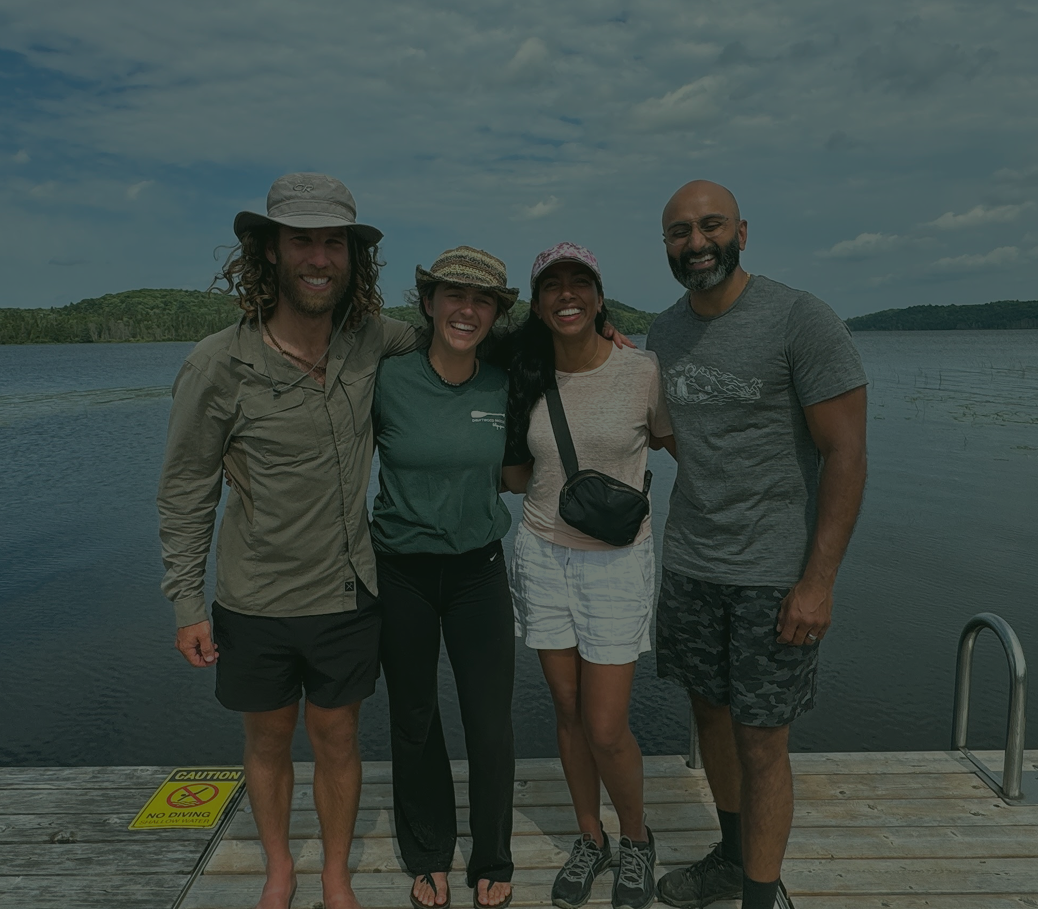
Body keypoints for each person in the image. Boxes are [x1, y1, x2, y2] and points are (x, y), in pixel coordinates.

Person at [157, 172, 421, 909]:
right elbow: (185, 490)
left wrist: (579, 338)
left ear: (351, 256)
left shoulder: (372, 340)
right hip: (254, 598)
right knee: (268, 743)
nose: (318, 257)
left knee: (338, 740)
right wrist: (186, 601)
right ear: (269, 251)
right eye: (301, 239)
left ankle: (335, 872)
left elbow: (456, 335)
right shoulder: (218, 363)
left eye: (332, 241)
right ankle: (280, 867)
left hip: (346, 592)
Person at [646, 181, 868, 909]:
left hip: (774, 573)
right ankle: (733, 854)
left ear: (742, 230)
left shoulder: (801, 319)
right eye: (680, 232)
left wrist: (818, 581)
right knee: (709, 714)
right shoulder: (664, 332)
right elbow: (677, 436)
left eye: (710, 226)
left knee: (763, 740)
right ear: (668, 245)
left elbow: (847, 454)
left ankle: (762, 896)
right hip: (691, 562)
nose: (697, 242)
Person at [505, 242, 674, 909]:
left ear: (600, 298)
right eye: (553, 284)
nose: (566, 294)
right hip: (543, 554)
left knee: (607, 724)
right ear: (538, 300)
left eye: (581, 283)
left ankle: (636, 838)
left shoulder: (644, 370)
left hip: (617, 561)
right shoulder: (521, 368)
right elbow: (515, 474)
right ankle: (589, 834)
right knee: (568, 709)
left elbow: (677, 441)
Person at [372, 246, 523, 909]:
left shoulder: (503, 381)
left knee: (489, 722)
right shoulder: (388, 377)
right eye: (453, 295)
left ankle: (493, 853)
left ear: (495, 313)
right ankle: (428, 851)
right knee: (413, 718)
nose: (467, 309)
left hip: (478, 571)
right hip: (401, 570)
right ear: (428, 302)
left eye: (482, 299)